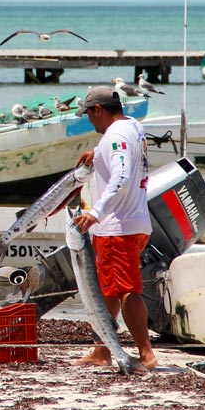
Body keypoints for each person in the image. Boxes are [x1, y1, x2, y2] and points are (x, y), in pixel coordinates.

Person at [71, 85, 157, 370]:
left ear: (98, 110)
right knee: (108, 289)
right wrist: (96, 152)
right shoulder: (132, 126)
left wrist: (95, 212)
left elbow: (120, 176)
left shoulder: (115, 135)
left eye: (89, 115)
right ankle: (102, 351)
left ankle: (146, 355)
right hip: (136, 222)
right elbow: (123, 152)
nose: (89, 121)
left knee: (126, 290)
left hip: (117, 226)